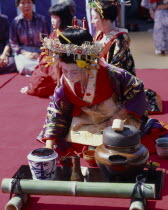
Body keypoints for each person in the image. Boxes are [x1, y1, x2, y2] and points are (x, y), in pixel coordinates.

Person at [37, 27, 168, 158]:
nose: (69, 76)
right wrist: (49, 146)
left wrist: (121, 114)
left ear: (87, 65)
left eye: (74, 72)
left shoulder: (110, 73)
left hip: (117, 118)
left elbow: (137, 87)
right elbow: (56, 110)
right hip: (87, 122)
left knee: (122, 140)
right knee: (76, 140)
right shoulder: (65, 81)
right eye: (65, 71)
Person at [21, 3, 73, 97]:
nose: (52, 20)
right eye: (51, 17)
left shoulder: (70, 34)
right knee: (36, 80)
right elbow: (45, 54)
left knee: (40, 85)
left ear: (63, 18)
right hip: (50, 65)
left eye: (55, 17)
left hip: (63, 68)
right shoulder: (53, 34)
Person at [90, 0, 136, 76]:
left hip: (113, 79)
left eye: (94, 18)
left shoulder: (120, 38)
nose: (92, 21)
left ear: (105, 18)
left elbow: (118, 68)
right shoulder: (99, 34)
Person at [9, 0, 48, 76]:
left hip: (39, 49)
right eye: (23, 3)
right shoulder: (16, 22)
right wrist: (25, 52)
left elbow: (46, 39)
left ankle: (38, 72)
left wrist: (38, 52)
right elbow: (13, 42)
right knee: (23, 66)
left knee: (47, 63)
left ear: (32, 4)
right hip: (23, 51)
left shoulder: (41, 20)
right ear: (18, 5)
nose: (26, 5)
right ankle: (38, 73)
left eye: (29, 2)